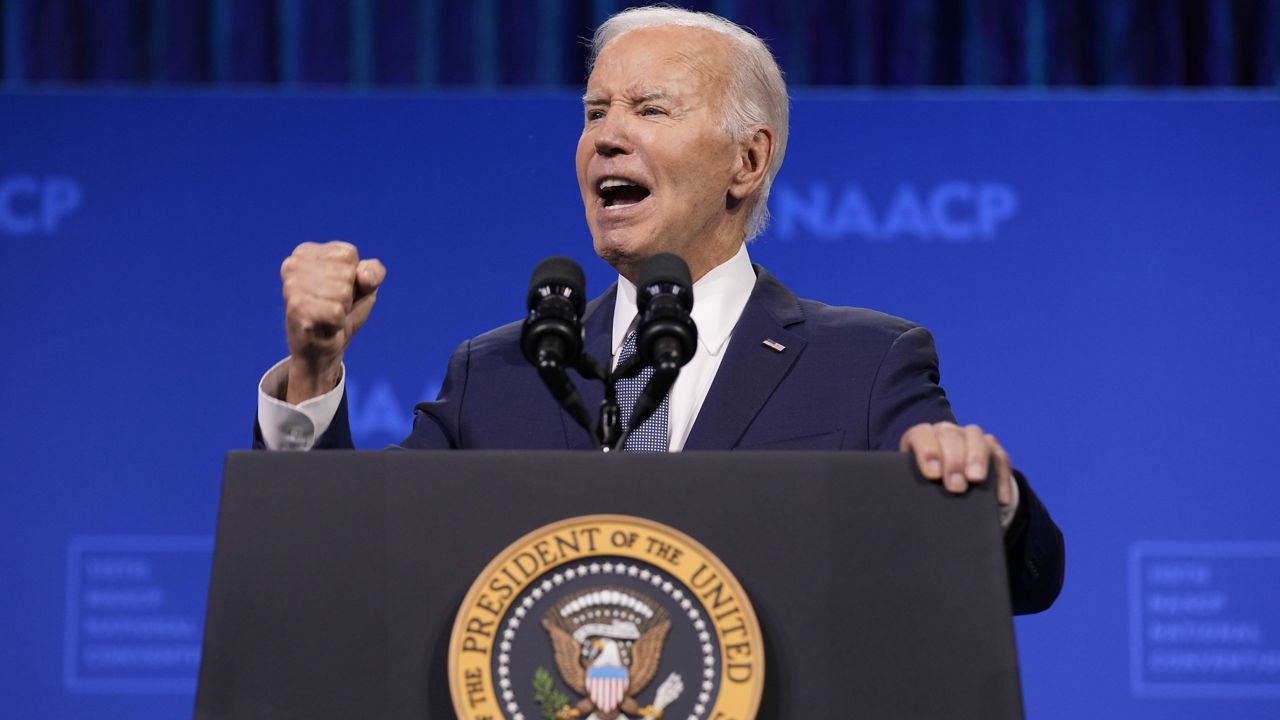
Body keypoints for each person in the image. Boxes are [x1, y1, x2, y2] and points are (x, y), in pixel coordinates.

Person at [256, 6, 1063, 614]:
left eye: (648, 109)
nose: (606, 136)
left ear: (748, 160)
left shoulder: (864, 365)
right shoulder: (499, 373)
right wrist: (314, 373)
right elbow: (347, 562)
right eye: (593, 112)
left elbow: (1019, 578)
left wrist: (983, 500)